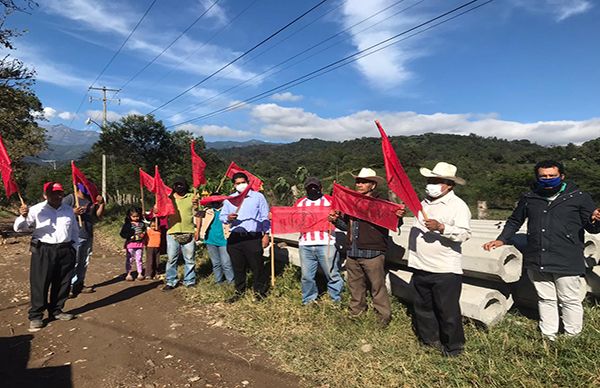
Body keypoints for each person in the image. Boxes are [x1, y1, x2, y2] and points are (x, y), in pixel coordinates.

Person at [484, 160, 600, 341]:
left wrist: (596, 219)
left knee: (569, 299)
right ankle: (548, 335)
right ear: (537, 177)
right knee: (545, 298)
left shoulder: (578, 197)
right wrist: (502, 239)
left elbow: (592, 228)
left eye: (552, 176)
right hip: (537, 257)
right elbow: (515, 220)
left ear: (562, 176)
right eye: (543, 176)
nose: (547, 180)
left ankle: (572, 336)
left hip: (567, 258)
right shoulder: (530, 197)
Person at [407, 162, 471, 356]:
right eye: (429, 181)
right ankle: (429, 340)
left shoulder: (457, 205)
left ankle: (453, 347)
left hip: (444, 269)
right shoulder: (423, 203)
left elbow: (464, 234)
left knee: (447, 310)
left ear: (449, 185)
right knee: (423, 307)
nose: (431, 185)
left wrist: (442, 228)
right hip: (420, 264)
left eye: (436, 181)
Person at [329, 168, 404, 327]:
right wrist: (336, 220)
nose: (359, 185)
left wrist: (398, 216)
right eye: (358, 182)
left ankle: (383, 317)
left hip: (373, 251)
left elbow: (395, 223)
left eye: (364, 182)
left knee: (377, 286)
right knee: (355, 286)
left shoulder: (381, 204)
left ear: (373, 185)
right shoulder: (351, 202)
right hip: (353, 250)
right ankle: (356, 313)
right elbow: (346, 226)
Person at [14, 182, 79, 332]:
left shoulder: (69, 210)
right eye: (52, 193)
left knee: (63, 282)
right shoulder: (36, 210)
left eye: (59, 193)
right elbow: (18, 228)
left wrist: (74, 248)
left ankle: (56, 310)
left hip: (65, 249)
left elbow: (74, 230)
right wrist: (22, 216)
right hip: (44, 250)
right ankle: (36, 315)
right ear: (45, 195)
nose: (57, 196)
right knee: (40, 283)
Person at [219, 172, 270, 302]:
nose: (241, 185)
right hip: (235, 237)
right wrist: (228, 218)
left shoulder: (258, 197)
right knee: (238, 266)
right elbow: (222, 217)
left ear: (247, 182)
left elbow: (265, 217)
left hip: (252, 237)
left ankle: (260, 292)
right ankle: (239, 292)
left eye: (243, 182)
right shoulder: (230, 199)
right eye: (238, 183)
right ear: (234, 185)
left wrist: (266, 235)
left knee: (257, 266)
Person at [295, 177, 343, 305]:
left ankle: (336, 300)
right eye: (310, 187)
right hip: (305, 244)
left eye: (315, 187)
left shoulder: (330, 201)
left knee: (332, 274)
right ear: (305, 189)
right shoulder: (300, 203)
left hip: (326, 243)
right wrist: (275, 216)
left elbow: (341, 218)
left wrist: (336, 216)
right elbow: (292, 218)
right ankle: (309, 300)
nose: (312, 190)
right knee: (306, 276)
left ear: (321, 188)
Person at [63, 182, 105, 297]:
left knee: (84, 261)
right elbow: (58, 214)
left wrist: (101, 204)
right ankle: (69, 286)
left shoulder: (91, 200)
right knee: (74, 261)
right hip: (74, 235)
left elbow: (98, 216)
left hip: (88, 233)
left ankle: (79, 284)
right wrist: (72, 212)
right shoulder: (70, 199)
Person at [163, 177, 198, 291]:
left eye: (181, 184)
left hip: (189, 231)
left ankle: (190, 281)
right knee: (172, 258)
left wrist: (196, 205)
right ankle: (171, 281)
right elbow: (160, 212)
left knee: (189, 258)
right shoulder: (168, 198)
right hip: (172, 232)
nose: (179, 187)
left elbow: (198, 214)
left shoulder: (192, 197)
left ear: (185, 186)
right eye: (176, 185)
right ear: (173, 187)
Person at [198, 195, 234, 284]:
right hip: (210, 240)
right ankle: (219, 281)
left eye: (217, 201)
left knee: (226, 263)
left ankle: (231, 281)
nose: (215, 203)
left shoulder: (227, 211)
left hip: (224, 240)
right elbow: (197, 215)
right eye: (213, 201)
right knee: (216, 263)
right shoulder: (207, 211)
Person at [120, 207, 147, 281]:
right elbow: (122, 234)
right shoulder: (127, 225)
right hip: (130, 245)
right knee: (130, 259)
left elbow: (145, 231)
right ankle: (128, 274)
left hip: (139, 244)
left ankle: (140, 273)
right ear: (129, 216)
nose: (136, 218)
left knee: (139, 259)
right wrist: (130, 236)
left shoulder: (142, 224)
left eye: (137, 216)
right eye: (133, 216)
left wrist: (143, 234)